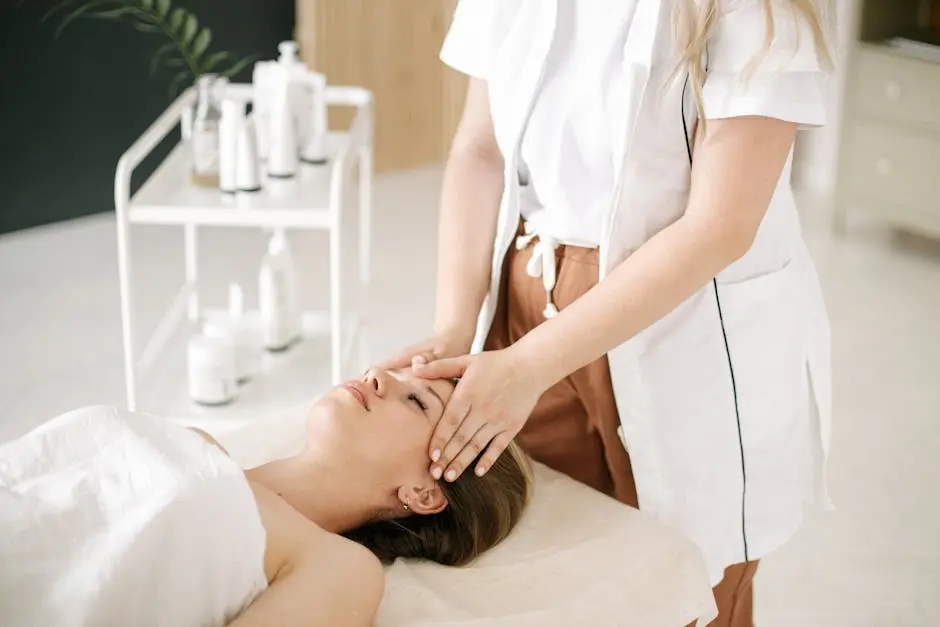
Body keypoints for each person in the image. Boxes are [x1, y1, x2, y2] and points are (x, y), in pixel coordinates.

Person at [379, 0, 836, 625]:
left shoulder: (755, 10)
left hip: (679, 312)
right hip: (527, 300)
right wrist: (458, 324)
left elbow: (720, 225)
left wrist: (526, 367)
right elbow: (479, 149)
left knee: (693, 585)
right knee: (554, 571)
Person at [0, 368, 532, 627]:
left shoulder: (339, 567)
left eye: (417, 401)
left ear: (424, 493)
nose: (377, 374)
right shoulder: (197, 442)